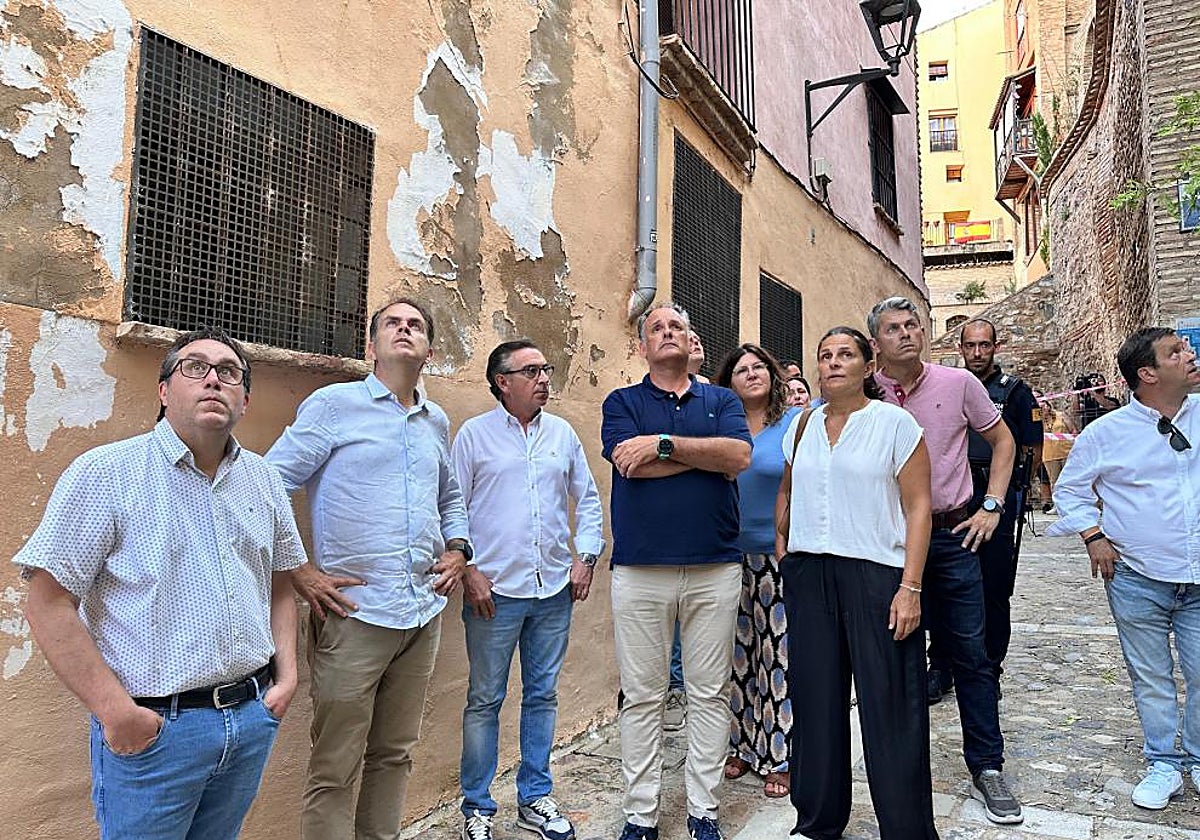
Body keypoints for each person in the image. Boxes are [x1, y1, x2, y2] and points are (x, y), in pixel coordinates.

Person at [15, 327, 307, 840]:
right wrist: (117, 713)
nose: (213, 379)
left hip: (250, 718)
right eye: (195, 367)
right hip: (157, 732)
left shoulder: (263, 481)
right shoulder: (105, 473)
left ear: (245, 398)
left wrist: (286, 679)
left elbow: (280, 582)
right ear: (164, 390)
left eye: (229, 372)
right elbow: (47, 601)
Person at [267, 297, 472, 840]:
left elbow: (449, 496)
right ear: (371, 345)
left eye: (416, 326)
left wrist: (459, 549)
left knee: (395, 755)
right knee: (335, 766)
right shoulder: (334, 405)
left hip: (422, 612)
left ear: (428, 349)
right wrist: (300, 571)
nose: (404, 331)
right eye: (393, 324)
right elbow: (266, 487)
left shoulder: (436, 420)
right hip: (355, 613)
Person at [868, 297, 1023, 825]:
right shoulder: (865, 392)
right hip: (886, 543)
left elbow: (1003, 442)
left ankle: (988, 766)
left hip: (952, 537)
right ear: (876, 342)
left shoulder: (959, 385)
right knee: (895, 657)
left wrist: (993, 505)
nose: (907, 334)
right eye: (894, 328)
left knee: (971, 655)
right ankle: (901, 770)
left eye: (914, 324)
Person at [777, 327, 936, 840]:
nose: (832, 363)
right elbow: (786, 494)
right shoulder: (799, 426)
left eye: (845, 354)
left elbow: (918, 508)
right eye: (824, 356)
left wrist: (910, 587)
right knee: (816, 701)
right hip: (810, 574)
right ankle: (818, 821)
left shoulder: (894, 423)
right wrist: (786, 555)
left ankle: (907, 830)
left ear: (869, 366)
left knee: (891, 704)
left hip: (877, 575)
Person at [602, 301, 752, 840]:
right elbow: (630, 466)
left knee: (708, 694)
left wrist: (664, 444)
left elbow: (738, 457)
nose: (668, 334)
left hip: (715, 566)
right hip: (641, 570)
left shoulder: (722, 398)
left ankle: (703, 811)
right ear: (643, 346)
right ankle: (641, 815)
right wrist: (705, 455)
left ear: (692, 343)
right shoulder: (622, 402)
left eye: (677, 328)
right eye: (657, 328)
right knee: (642, 696)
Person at [454, 339, 605, 840]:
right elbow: (451, 509)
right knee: (485, 699)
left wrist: (585, 557)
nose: (545, 378)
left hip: (553, 591)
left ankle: (535, 797)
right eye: (533, 371)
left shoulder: (561, 434)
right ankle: (476, 806)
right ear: (503, 381)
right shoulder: (474, 437)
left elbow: (586, 498)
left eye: (547, 368)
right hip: (492, 593)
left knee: (542, 695)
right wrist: (468, 570)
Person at [1049, 327, 1200, 810]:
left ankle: (1196, 758)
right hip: (1137, 576)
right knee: (1151, 674)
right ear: (1148, 374)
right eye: (1176, 351)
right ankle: (1163, 762)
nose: (1190, 354)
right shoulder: (1104, 434)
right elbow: (1068, 491)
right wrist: (1093, 537)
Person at [926, 320, 1043, 702]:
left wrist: (1014, 494)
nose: (978, 353)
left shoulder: (1015, 392)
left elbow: (1029, 446)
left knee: (993, 585)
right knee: (942, 583)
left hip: (994, 497)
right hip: (954, 496)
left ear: (996, 346)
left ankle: (989, 665)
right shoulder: (950, 386)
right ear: (960, 347)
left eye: (985, 345)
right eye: (971, 346)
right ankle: (941, 664)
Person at [714, 344, 800, 799]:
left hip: (778, 555)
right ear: (729, 382)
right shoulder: (723, 427)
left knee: (778, 657)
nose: (751, 374)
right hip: (728, 555)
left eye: (758, 367)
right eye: (741, 370)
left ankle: (780, 755)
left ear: (773, 375)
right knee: (735, 655)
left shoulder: (793, 424)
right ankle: (741, 746)